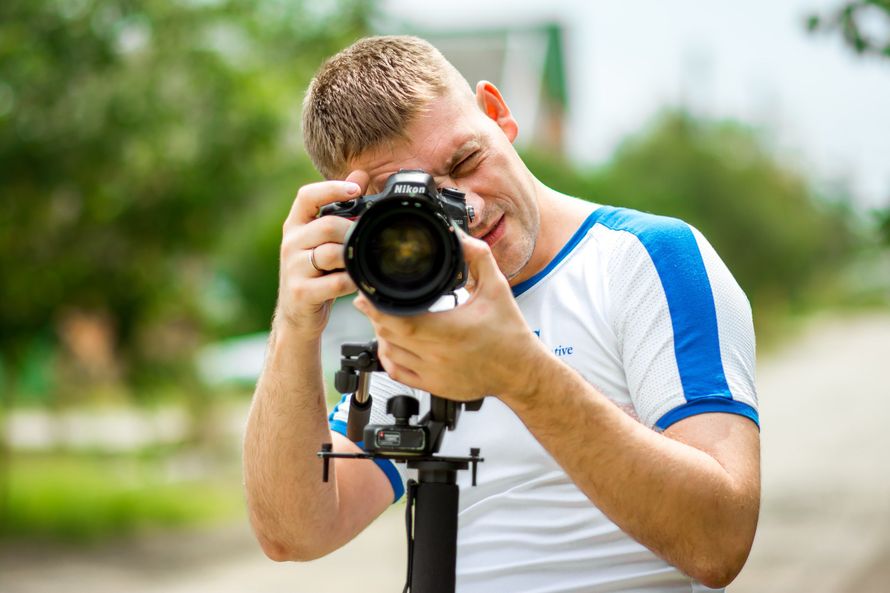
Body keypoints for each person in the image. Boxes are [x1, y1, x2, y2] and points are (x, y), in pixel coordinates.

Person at [243, 35, 760, 593]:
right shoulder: (417, 314)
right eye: (418, 202)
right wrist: (296, 323)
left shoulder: (647, 259)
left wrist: (523, 375)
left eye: (465, 161)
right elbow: (295, 533)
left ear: (498, 113)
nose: (469, 207)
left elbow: (719, 541)